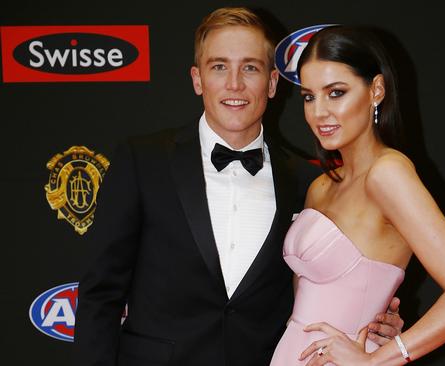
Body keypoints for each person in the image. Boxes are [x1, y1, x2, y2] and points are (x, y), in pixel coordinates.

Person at [73, 8, 402, 366]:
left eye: (250, 67)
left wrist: (375, 320)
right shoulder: (142, 161)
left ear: (273, 82)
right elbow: (100, 295)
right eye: (219, 67)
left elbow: (329, 285)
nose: (234, 84)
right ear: (198, 79)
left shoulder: (309, 182)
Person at [269, 26, 445, 366]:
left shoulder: (388, 174)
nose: (319, 113)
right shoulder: (322, 186)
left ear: (376, 90)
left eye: (336, 93)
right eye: (309, 97)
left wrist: (378, 361)